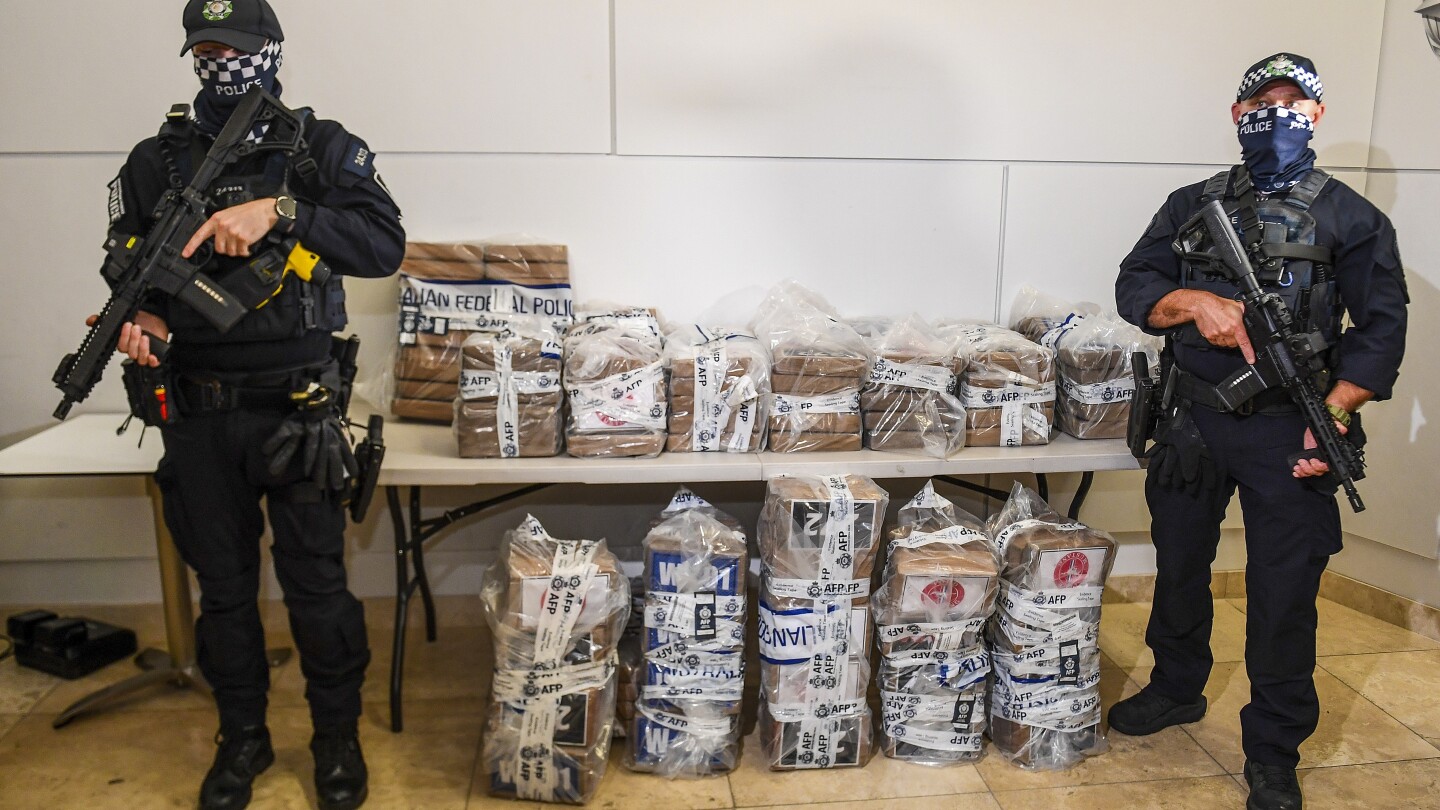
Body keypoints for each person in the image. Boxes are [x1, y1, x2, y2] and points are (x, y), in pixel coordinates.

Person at [95, 2, 404, 808]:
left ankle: (335, 737)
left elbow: (383, 245)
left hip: (297, 410)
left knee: (318, 591)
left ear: (271, 51)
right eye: (204, 48)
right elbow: (130, 266)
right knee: (224, 595)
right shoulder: (156, 159)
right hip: (198, 413)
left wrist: (284, 210)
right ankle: (242, 739)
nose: (221, 62)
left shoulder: (318, 148)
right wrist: (144, 320)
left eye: (235, 48)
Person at [1111, 53, 1407, 810]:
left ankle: (1273, 750)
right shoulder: (1190, 204)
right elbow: (1135, 285)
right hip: (1191, 422)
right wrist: (1192, 304)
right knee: (1180, 566)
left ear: (1317, 116)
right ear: (1237, 115)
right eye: (1261, 104)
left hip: (1291, 431)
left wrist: (1334, 414)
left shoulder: (1353, 217)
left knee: (1283, 595)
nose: (1276, 117)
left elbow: (1380, 331)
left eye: (1293, 105)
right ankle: (1177, 687)